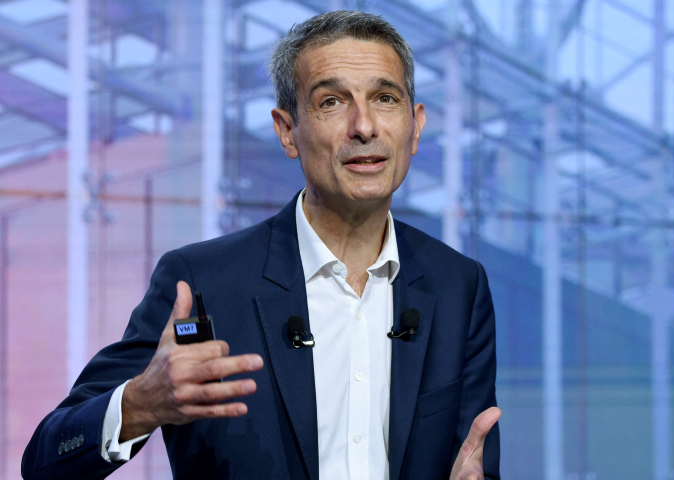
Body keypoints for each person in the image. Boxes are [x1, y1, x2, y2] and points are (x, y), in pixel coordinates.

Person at [22, 10, 500, 480]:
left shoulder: (459, 285)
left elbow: (475, 459)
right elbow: (44, 460)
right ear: (287, 130)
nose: (364, 126)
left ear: (415, 126)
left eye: (385, 98)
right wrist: (141, 403)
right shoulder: (202, 283)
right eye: (332, 101)